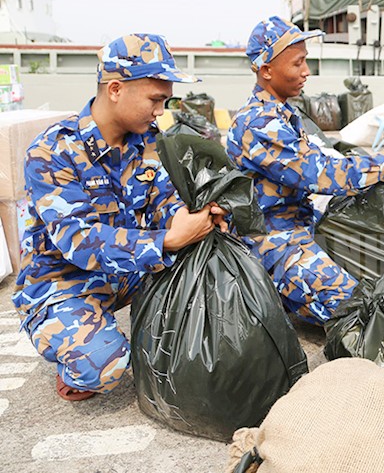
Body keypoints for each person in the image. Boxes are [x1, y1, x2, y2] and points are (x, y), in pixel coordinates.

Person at [12, 34, 225, 401]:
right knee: (106, 366)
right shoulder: (52, 152)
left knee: (214, 282)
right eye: (155, 100)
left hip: (126, 272)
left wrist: (192, 215)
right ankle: (71, 349)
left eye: (166, 100)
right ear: (115, 89)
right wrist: (168, 240)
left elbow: (164, 198)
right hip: (64, 281)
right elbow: (78, 242)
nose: (161, 110)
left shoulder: (147, 142)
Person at [226, 16, 384, 325]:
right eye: (297, 63)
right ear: (267, 70)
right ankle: (277, 292)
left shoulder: (282, 113)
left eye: (305, 62)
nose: (306, 72)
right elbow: (323, 175)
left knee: (381, 265)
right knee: (360, 310)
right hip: (272, 241)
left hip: (302, 225)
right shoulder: (259, 123)